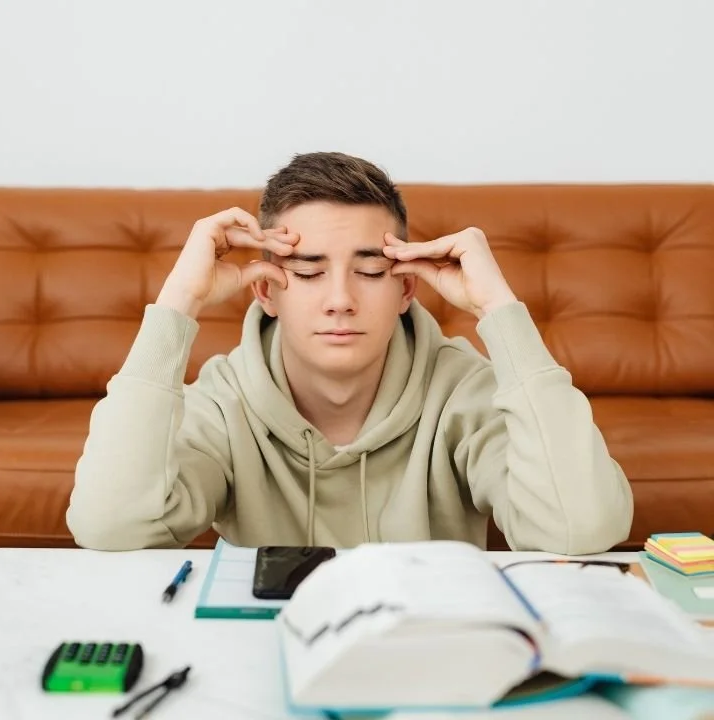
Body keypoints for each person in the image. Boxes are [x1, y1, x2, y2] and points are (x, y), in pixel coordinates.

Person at [66, 151, 633, 554]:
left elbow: (579, 528)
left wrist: (500, 310)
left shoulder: (462, 389)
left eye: (368, 271)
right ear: (265, 290)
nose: (340, 300)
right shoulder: (224, 400)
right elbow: (109, 526)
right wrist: (177, 304)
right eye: (309, 272)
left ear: (406, 288)